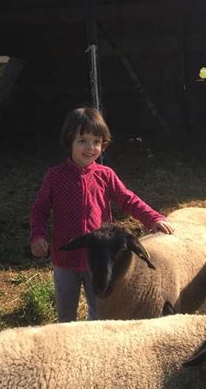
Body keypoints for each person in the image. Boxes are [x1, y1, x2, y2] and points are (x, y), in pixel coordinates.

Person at [30, 107, 174, 322]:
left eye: (96, 142)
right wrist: (37, 236)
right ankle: (65, 348)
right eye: (82, 140)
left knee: (100, 312)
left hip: (99, 259)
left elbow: (128, 199)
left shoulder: (105, 175)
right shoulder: (55, 177)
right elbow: (39, 208)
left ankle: (95, 348)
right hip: (65, 258)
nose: (90, 148)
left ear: (103, 144)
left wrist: (152, 218)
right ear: (69, 141)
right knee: (65, 314)